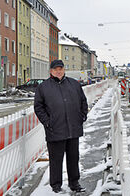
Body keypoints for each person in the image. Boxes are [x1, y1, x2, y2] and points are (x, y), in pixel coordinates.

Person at [34, 60, 88, 193]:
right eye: (56, 69)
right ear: (51, 71)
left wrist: (82, 117)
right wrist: (48, 122)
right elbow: (38, 107)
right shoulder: (43, 87)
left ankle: (74, 183)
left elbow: (83, 101)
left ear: (64, 70)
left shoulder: (74, 84)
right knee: (56, 160)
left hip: (73, 128)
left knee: (73, 158)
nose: (59, 71)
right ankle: (56, 185)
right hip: (55, 130)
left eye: (61, 68)